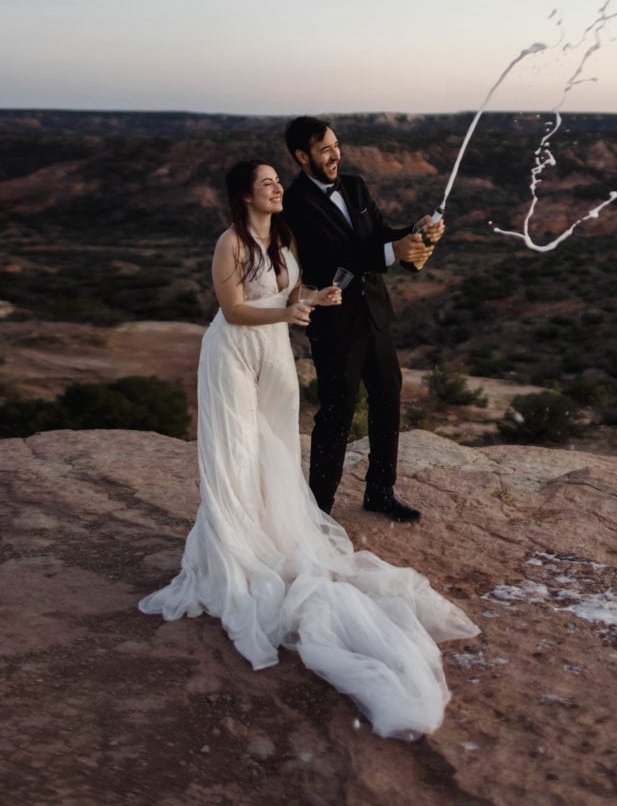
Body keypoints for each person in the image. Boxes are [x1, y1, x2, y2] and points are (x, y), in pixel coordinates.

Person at [139, 159, 478, 739]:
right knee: (239, 449)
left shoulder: (284, 236)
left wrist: (315, 297)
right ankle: (232, 542)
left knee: (276, 444)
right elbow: (233, 309)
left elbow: (291, 290)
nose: (277, 189)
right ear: (246, 194)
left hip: (274, 354)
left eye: (277, 181)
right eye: (268, 183)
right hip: (235, 354)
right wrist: (287, 309)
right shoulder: (231, 242)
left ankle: (274, 528)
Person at [282, 116, 443, 522]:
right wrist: (395, 252)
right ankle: (317, 510)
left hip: (373, 312)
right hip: (334, 321)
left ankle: (380, 491)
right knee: (337, 411)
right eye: (324, 150)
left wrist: (416, 231)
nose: (335, 154)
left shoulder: (354, 185)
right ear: (302, 157)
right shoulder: (295, 202)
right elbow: (333, 256)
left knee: (388, 399)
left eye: (336, 145)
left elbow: (376, 235)